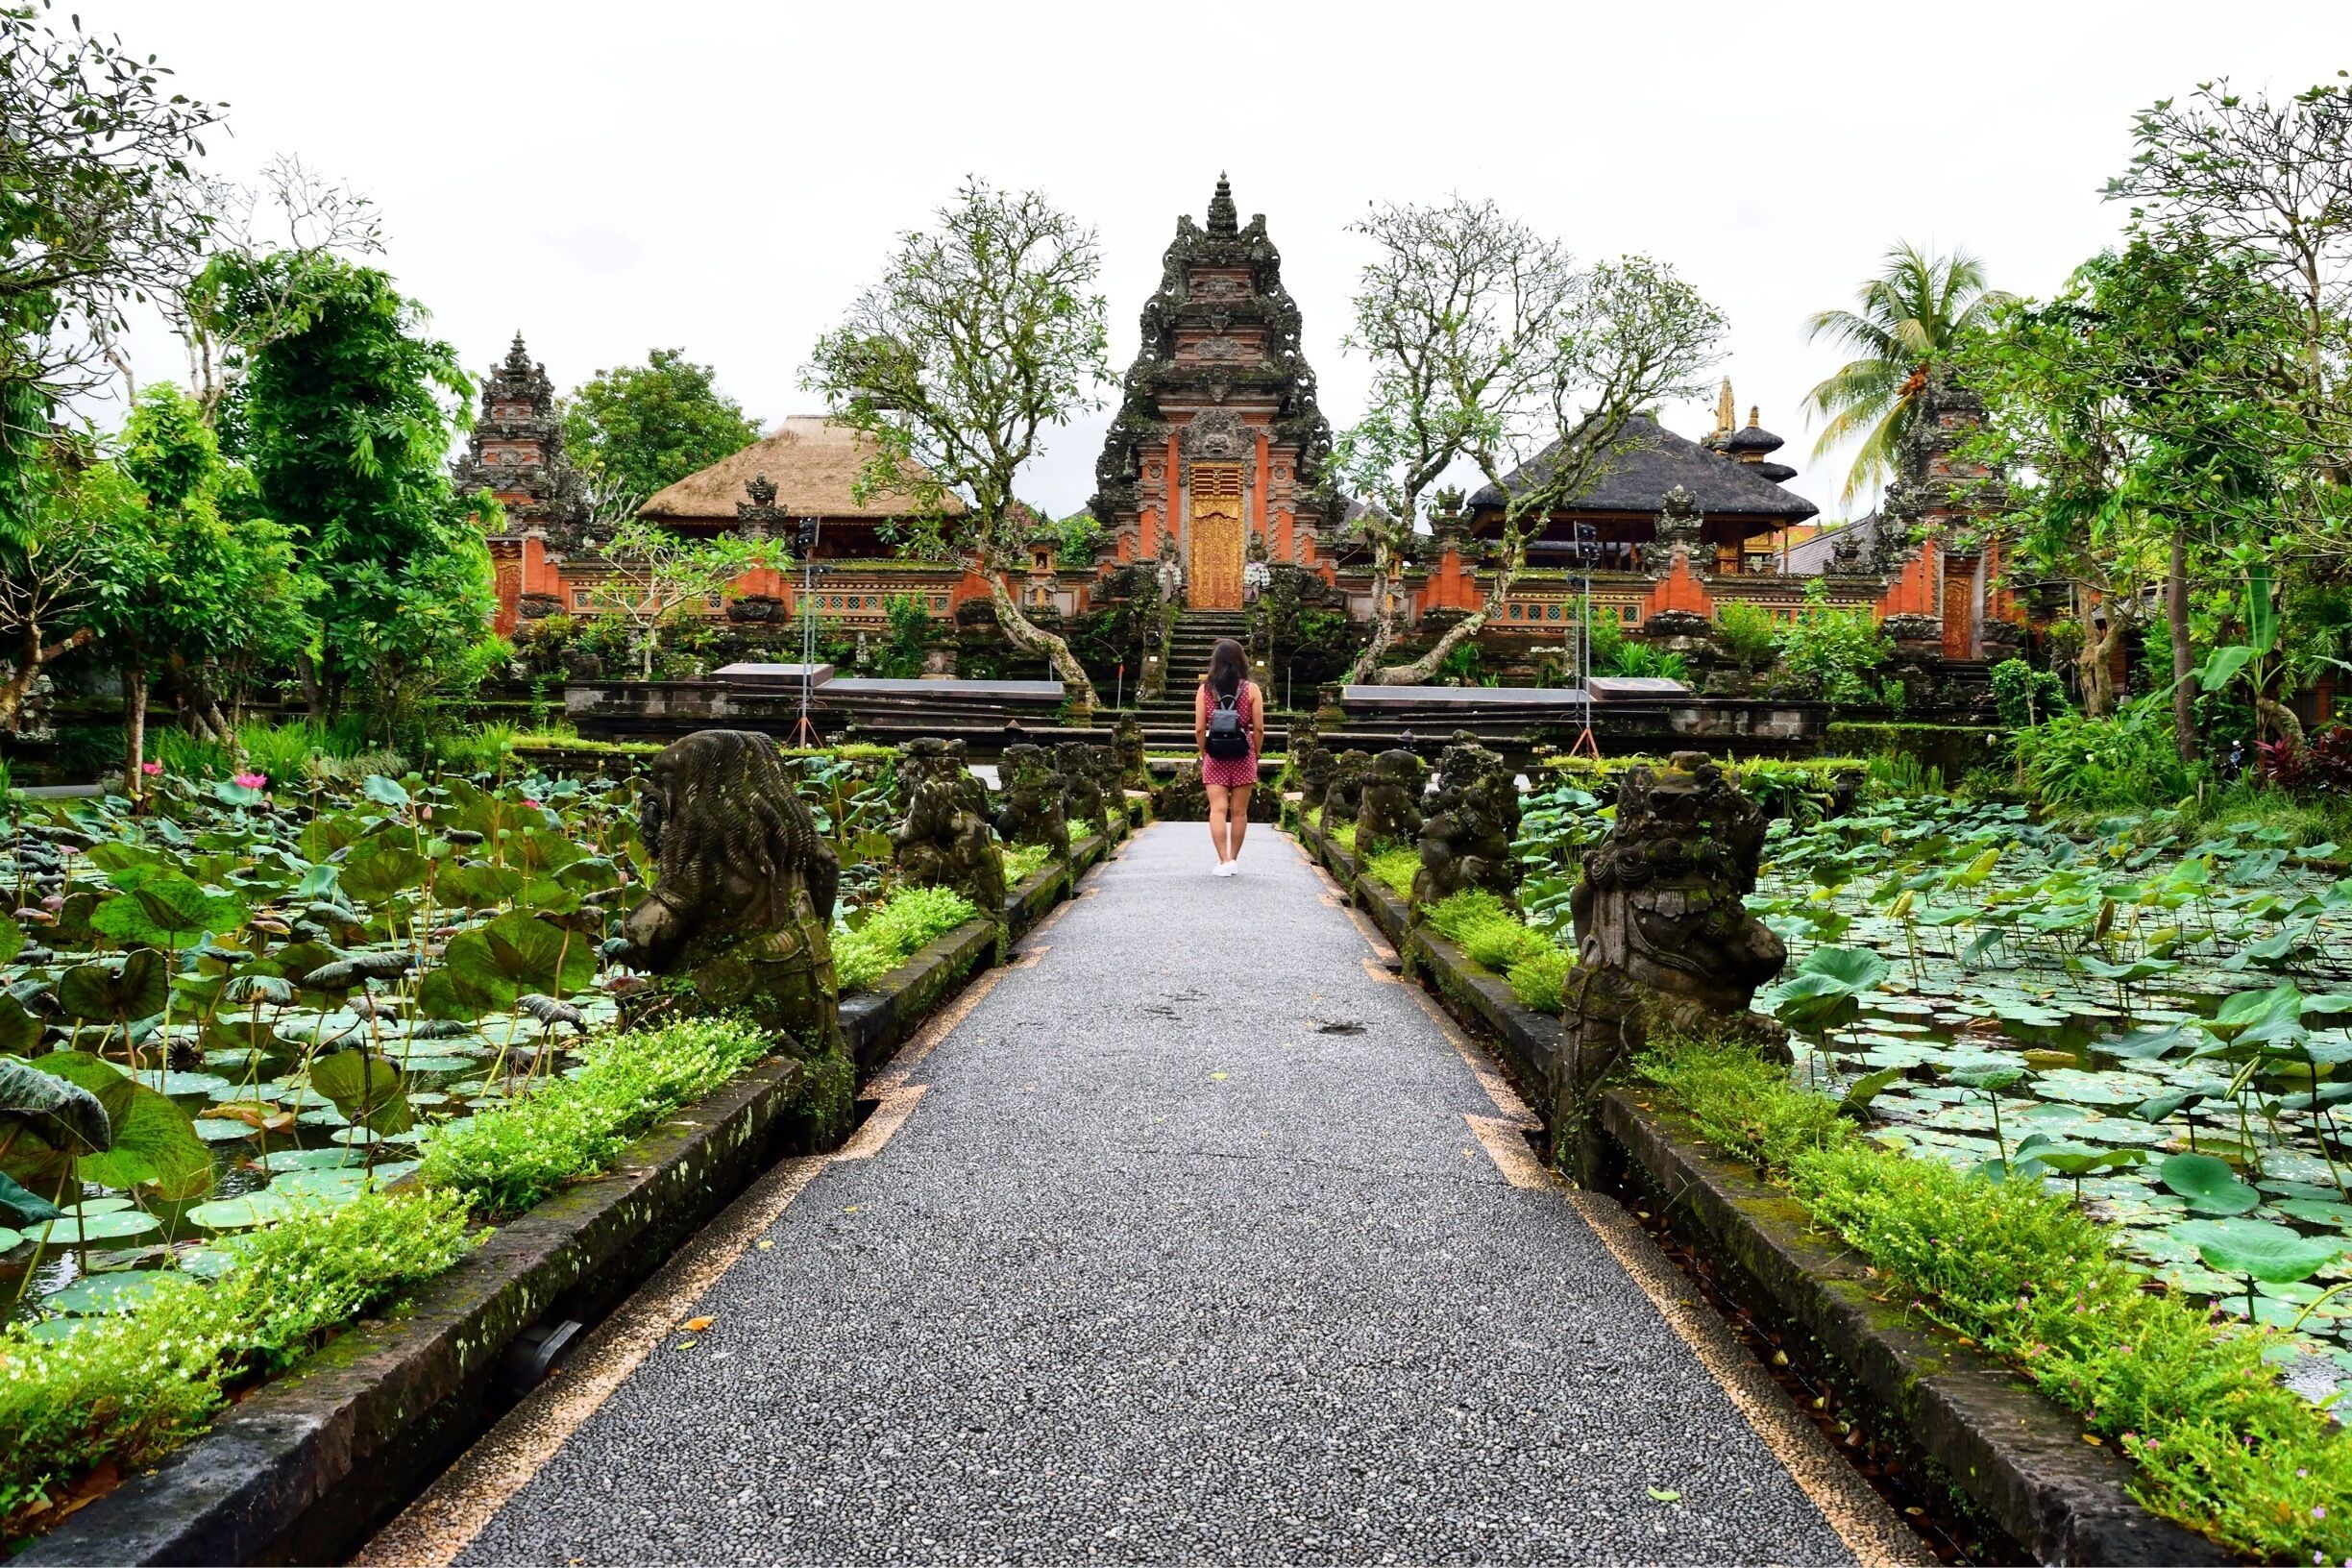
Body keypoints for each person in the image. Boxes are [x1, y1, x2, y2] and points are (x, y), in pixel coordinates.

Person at [1194, 637, 1263, 876]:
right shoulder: (1251, 689)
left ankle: (1222, 860)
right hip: (1243, 753)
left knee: (1217, 809)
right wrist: (1255, 753)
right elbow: (1259, 728)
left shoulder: (1205, 690)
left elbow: (1200, 729)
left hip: (1215, 753)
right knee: (1239, 812)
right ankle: (1233, 859)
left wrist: (1204, 752)